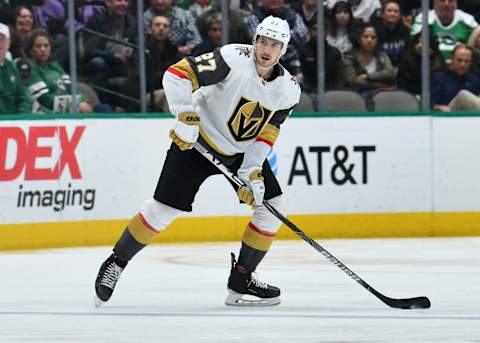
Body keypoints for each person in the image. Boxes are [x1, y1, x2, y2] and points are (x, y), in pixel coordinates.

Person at [94, 15, 300, 307]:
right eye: (262, 41)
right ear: (254, 41)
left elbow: (268, 130)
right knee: (162, 210)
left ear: (284, 49)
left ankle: (242, 278)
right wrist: (184, 114)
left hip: (239, 153)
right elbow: (177, 73)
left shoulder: (289, 90)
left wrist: (252, 169)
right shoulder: (232, 58)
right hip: (196, 142)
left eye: (275, 45)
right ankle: (116, 262)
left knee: (271, 207)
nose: (266, 50)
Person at [25, 29, 94, 113]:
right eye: (38, 46)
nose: (43, 49)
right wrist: (75, 105)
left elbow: (72, 89)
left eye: (46, 46)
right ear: (31, 50)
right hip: (49, 114)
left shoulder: (55, 66)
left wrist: (83, 100)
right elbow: (44, 99)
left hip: (70, 111)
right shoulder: (31, 68)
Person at [411, 0, 478, 61]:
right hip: (432, 65)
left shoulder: (468, 20)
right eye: (442, 0)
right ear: (434, 3)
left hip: (461, 67)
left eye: (450, 1)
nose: (446, 4)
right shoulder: (423, 18)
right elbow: (413, 43)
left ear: (456, 3)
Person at [343, 23, 396, 96]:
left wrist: (367, 76)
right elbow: (352, 81)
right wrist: (379, 85)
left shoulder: (381, 55)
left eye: (373, 37)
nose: (369, 40)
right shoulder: (349, 57)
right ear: (358, 39)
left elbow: (390, 73)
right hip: (356, 96)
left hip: (381, 96)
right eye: (365, 36)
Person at [431, 44, 480, 112]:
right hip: (447, 116)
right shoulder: (439, 78)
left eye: (467, 61)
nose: (463, 64)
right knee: (463, 95)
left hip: (468, 117)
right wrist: (437, 107)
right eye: (459, 60)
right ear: (452, 59)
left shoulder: (474, 79)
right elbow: (429, 104)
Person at [396, 32, 445, 96]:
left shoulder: (438, 58)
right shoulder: (406, 59)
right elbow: (403, 85)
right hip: (411, 95)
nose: (420, 46)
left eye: (424, 43)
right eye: (417, 42)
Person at [0, 23, 32, 114]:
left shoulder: (11, 67)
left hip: (13, 123)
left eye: (2, 39)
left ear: (8, 44)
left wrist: (21, 118)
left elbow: (22, 98)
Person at [371, 0, 410, 67]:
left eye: (396, 11)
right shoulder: (373, 30)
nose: (392, 14)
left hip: (401, 67)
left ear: (400, 16)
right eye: (389, 11)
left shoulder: (405, 30)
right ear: (382, 14)